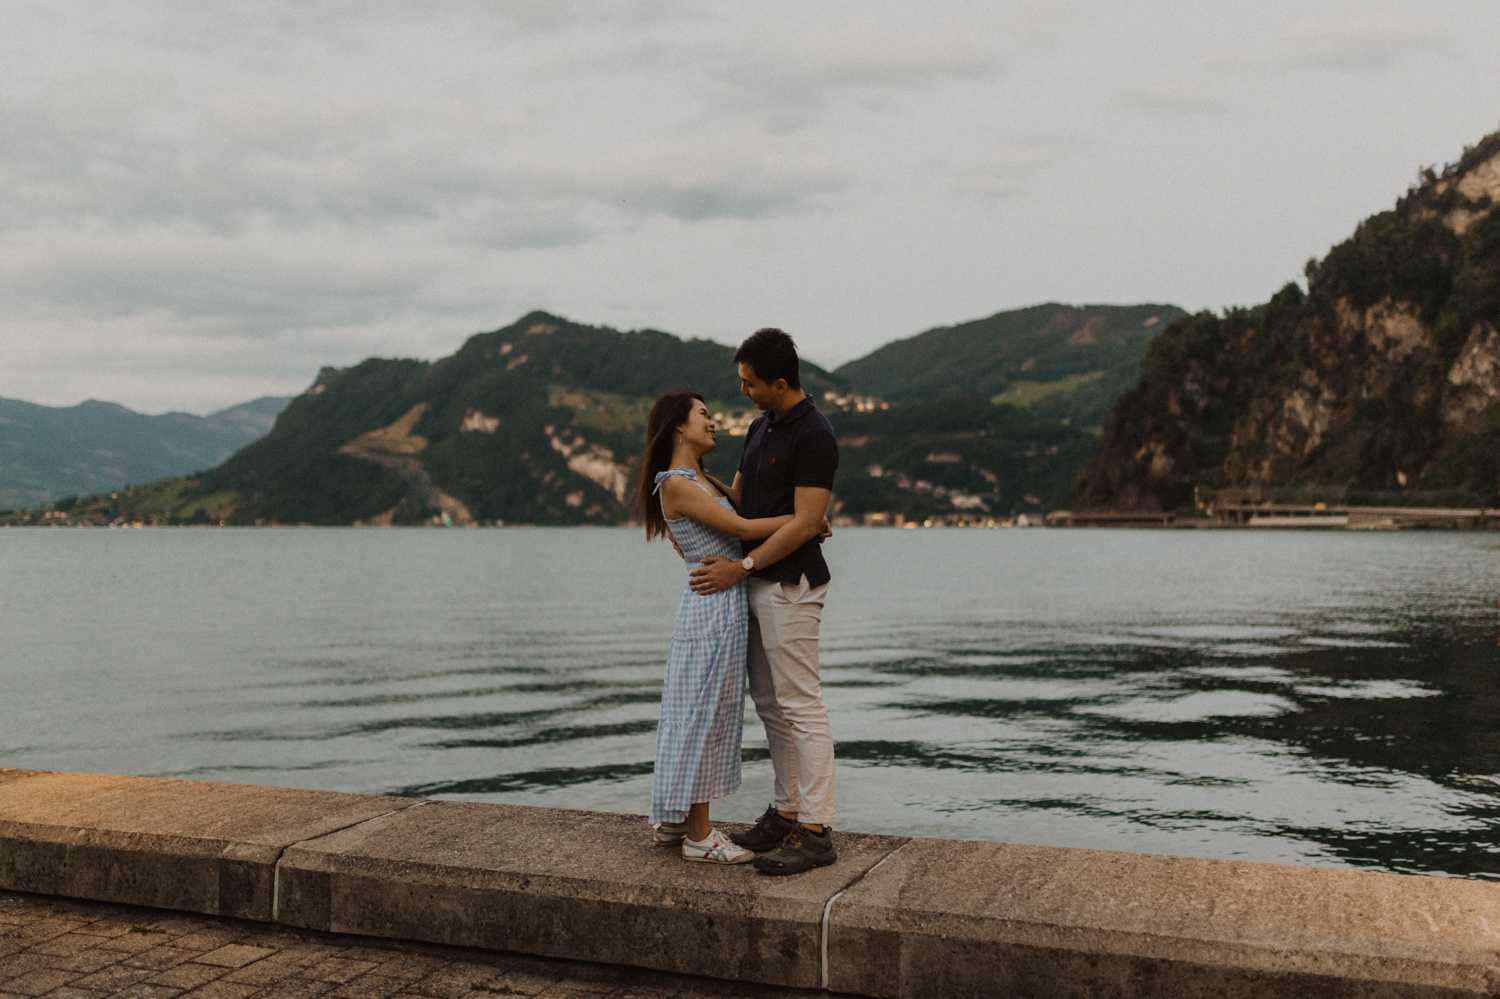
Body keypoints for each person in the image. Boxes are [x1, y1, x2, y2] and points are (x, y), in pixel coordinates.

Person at [688, 328, 839, 875]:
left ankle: (817, 830)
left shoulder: (815, 435)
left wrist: (742, 565)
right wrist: (693, 478)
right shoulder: (759, 427)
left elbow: (805, 524)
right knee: (772, 706)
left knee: (801, 704)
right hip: (753, 583)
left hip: (790, 584)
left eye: (751, 384)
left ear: (780, 382)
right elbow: (744, 505)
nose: (744, 392)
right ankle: (786, 811)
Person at [638, 390, 804, 864]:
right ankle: (700, 836)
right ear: (677, 427)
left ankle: (674, 822)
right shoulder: (677, 484)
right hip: (711, 610)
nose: (712, 423)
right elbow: (747, 530)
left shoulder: (700, 480)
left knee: (694, 715)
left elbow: (745, 509)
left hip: (715, 607)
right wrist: (807, 520)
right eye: (703, 416)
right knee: (705, 719)